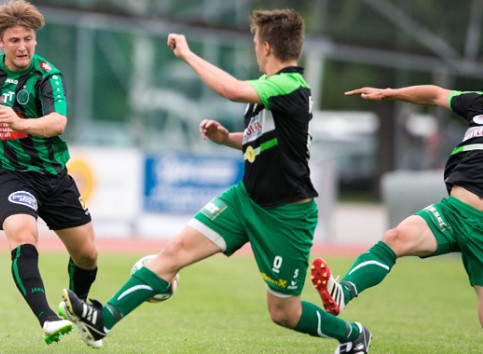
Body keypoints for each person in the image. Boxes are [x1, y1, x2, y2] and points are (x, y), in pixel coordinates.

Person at [61, 9, 372, 354]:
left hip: (286, 216)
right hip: (245, 200)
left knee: (284, 312)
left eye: (255, 41)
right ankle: (101, 321)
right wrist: (227, 139)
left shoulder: (289, 85)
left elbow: (231, 90)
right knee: (173, 253)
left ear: (266, 47)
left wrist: (188, 54)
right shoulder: (274, 90)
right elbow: (267, 140)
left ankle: (353, 334)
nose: (254, 47)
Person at [312, 56, 483, 345]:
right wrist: (390, 93)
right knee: (396, 237)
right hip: (453, 214)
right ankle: (342, 291)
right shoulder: (478, 105)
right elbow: (434, 94)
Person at [0, 0, 101, 347]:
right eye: (14, 40)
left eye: (28, 38)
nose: (23, 46)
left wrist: (20, 122)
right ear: (1, 42)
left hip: (53, 175)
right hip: (7, 173)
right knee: (24, 234)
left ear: (35, 39)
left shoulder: (47, 74)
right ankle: (47, 318)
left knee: (87, 255)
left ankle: (74, 303)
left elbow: (58, 123)